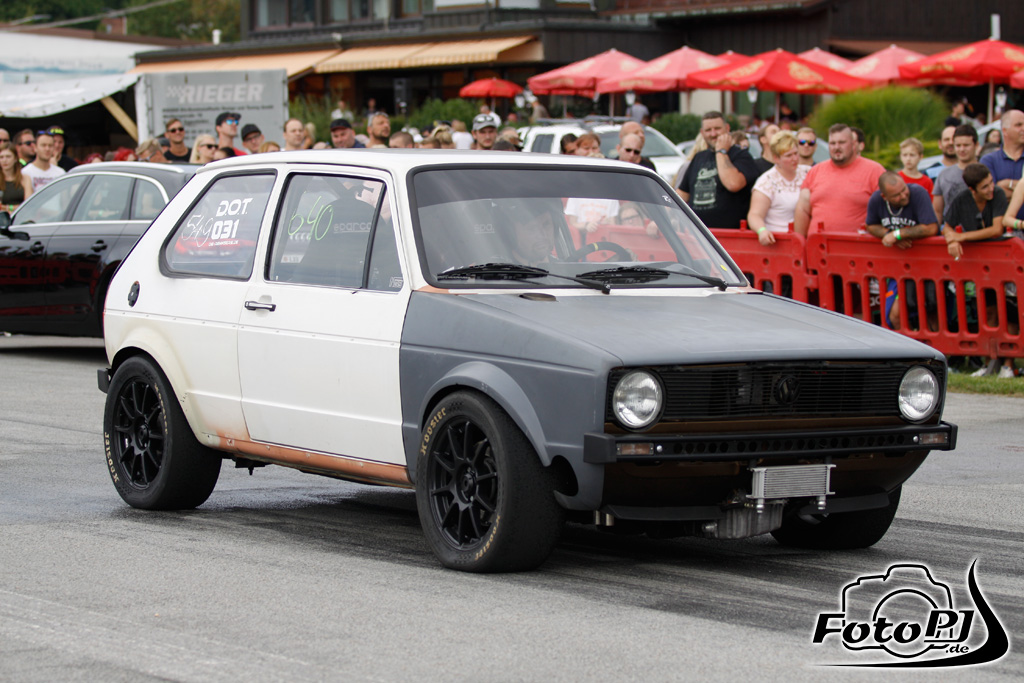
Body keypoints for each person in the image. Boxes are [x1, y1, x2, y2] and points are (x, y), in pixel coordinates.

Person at [943, 163, 1012, 377]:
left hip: (1002, 261)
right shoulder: (962, 199)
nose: (991, 188)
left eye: (991, 183)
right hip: (979, 266)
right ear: (972, 189)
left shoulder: (998, 194)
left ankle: (1008, 363)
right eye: (985, 187)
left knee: (1008, 310)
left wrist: (961, 237)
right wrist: (951, 240)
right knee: (987, 310)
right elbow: (946, 226)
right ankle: (989, 361)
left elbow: (996, 229)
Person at [865, 172, 939, 329]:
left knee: (933, 312)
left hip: (927, 265)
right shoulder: (876, 199)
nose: (904, 195)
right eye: (897, 195)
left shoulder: (917, 192)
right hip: (898, 269)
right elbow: (870, 225)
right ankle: (910, 344)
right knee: (895, 315)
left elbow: (931, 227)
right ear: (885, 197)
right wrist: (888, 234)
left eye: (904, 189)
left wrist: (898, 234)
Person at [794, 123, 885, 236]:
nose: (836, 147)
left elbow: (887, 210)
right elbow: (803, 210)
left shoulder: (874, 171)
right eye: (832, 143)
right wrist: (800, 242)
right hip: (818, 243)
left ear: (853, 144)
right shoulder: (815, 171)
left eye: (842, 143)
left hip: (857, 243)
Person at [677, 110, 760, 229]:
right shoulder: (698, 157)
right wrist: (661, 219)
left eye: (717, 128)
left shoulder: (742, 156)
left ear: (727, 128)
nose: (713, 134)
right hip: (699, 233)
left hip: (730, 234)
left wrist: (721, 151)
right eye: (708, 130)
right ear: (702, 133)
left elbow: (733, 184)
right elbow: (681, 195)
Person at [747, 131, 810, 243]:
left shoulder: (808, 172)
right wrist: (762, 230)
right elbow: (754, 215)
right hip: (780, 241)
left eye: (796, 153)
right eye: (789, 155)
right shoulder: (766, 182)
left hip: (807, 239)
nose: (795, 158)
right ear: (776, 158)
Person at [980, 109, 1024, 224]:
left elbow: (997, 192)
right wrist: (1020, 191)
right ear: (1005, 131)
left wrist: (1006, 184)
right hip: (998, 230)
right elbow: (990, 195)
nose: (1023, 128)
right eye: (1018, 125)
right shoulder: (989, 160)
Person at [932, 124, 978, 224]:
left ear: (976, 145)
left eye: (966, 145)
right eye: (958, 145)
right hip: (950, 230)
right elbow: (937, 211)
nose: (962, 149)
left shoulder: (986, 171)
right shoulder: (943, 175)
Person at [0, 142, 33, 212]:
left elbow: (28, 204)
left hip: (21, 216)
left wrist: (6, 208)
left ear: (15, 159)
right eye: (1, 157)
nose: (4, 160)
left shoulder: (25, 178)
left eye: (8, 156)